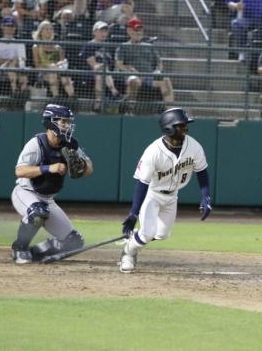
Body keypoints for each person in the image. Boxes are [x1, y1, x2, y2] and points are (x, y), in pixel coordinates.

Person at [119, 108, 212, 274]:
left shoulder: (194, 146)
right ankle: (128, 253)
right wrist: (134, 213)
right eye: (180, 126)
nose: (185, 129)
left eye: (184, 126)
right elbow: (142, 184)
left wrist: (206, 197)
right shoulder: (153, 152)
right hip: (152, 195)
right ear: (169, 128)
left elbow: (202, 172)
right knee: (147, 234)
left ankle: (136, 237)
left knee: (162, 234)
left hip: (172, 197)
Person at [10, 104, 93, 264]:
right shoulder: (37, 143)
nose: (67, 125)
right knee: (38, 212)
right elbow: (20, 171)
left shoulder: (70, 143)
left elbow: (90, 169)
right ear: (51, 121)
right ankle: (19, 248)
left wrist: (82, 165)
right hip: (26, 192)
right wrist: (49, 168)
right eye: (63, 121)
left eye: (68, 122)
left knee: (74, 242)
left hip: (47, 198)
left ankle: (36, 253)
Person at [115, 16, 174, 109]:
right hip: (133, 76)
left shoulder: (150, 46)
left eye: (140, 29)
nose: (139, 32)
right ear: (129, 31)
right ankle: (130, 108)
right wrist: (129, 69)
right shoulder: (123, 46)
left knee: (165, 80)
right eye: (136, 29)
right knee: (134, 81)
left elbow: (159, 63)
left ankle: (170, 110)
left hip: (149, 76)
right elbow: (119, 64)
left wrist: (157, 71)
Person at [81, 20, 120, 110]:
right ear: (94, 32)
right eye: (101, 31)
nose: (104, 33)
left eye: (105, 31)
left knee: (102, 72)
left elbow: (115, 62)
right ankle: (113, 91)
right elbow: (92, 63)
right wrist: (101, 66)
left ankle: (98, 104)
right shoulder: (89, 45)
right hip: (91, 71)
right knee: (101, 72)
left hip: (108, 73)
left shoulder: (109, 45)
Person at [32, 20, 75, 99]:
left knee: (64, 75)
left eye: (51, 29)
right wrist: (49, 66)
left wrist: (58, 64)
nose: (49, 31)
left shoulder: (57, 47)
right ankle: (56, 97)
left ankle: (72, 97)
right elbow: (37, 64)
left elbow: (62, 61)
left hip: (58, 70)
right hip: (43, 71)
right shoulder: (36, 47)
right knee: (52, 71)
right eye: (46, 29)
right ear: (41, 31)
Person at [0, 15, 28, 97]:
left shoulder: (20, 42)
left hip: (17, 68)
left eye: (12, 26)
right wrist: (9, 61)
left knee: (16, 67)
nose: (10, 28)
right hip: (0, 70)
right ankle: (17, 92)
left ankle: (18, 92)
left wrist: (12, 62)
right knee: (12, 65)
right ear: (2, 27)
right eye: (8, 26)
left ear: (15, 28)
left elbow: (22, 60)